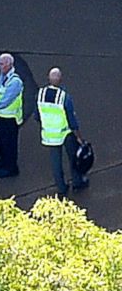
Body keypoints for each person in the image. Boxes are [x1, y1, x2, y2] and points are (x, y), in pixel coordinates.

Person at [37, 67, 89, 196]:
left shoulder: (40, 94)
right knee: (73, 158)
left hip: (49, 134)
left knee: (56, 162)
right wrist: (78, 136)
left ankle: (61, 187)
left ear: (48, 79)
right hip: (65, 133)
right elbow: (71, 118)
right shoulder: (63, 97)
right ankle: (77, 182)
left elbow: (37, 116)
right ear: (60, 80)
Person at [0, 53, 23, 178]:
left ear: (9, 65)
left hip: (9, 118)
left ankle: (11, 167)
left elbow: (7, 99)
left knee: (10, 144)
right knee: (1, 140)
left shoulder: (15, 81)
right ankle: (3, 161)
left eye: (2, 64)